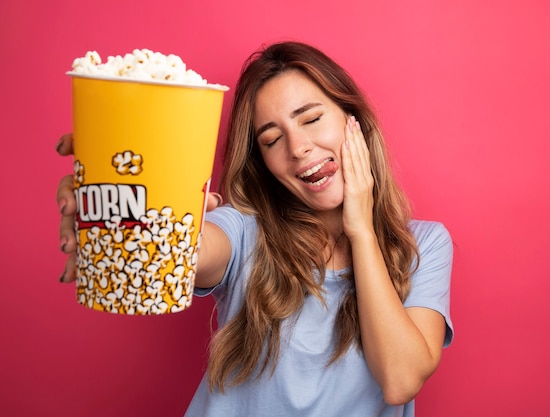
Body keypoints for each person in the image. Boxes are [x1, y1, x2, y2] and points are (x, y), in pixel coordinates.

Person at [56, 41, 453, 417]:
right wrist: (117, 193)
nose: (297, 148)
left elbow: (401, 380)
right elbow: (183, 249)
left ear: (356, 121)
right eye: (272, 139)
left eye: (312, 119)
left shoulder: (426, 245)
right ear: (263, 162)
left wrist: (361, 230)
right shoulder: (245, 229)